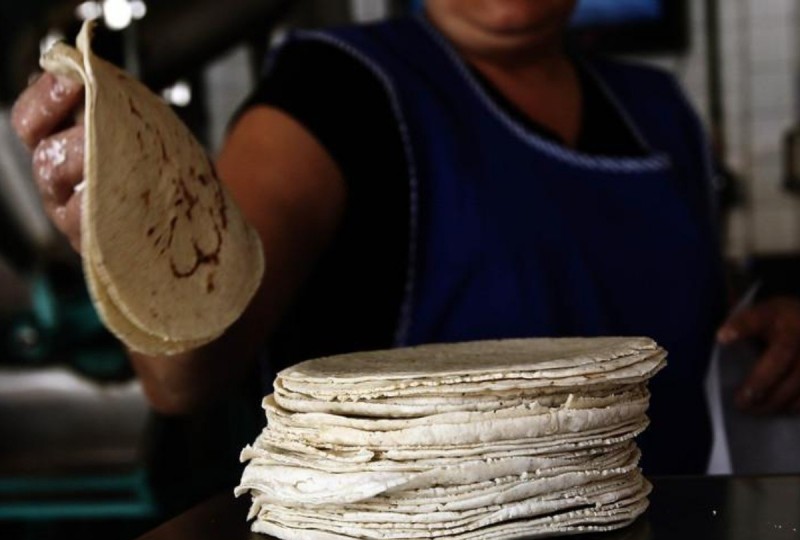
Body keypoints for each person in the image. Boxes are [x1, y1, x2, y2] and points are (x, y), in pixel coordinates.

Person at [11, 0, 800, 474]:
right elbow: (186, 373)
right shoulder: (339, 86)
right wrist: (126, 221)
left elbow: (700, 325)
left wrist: (769, 338)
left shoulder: (658, 110)